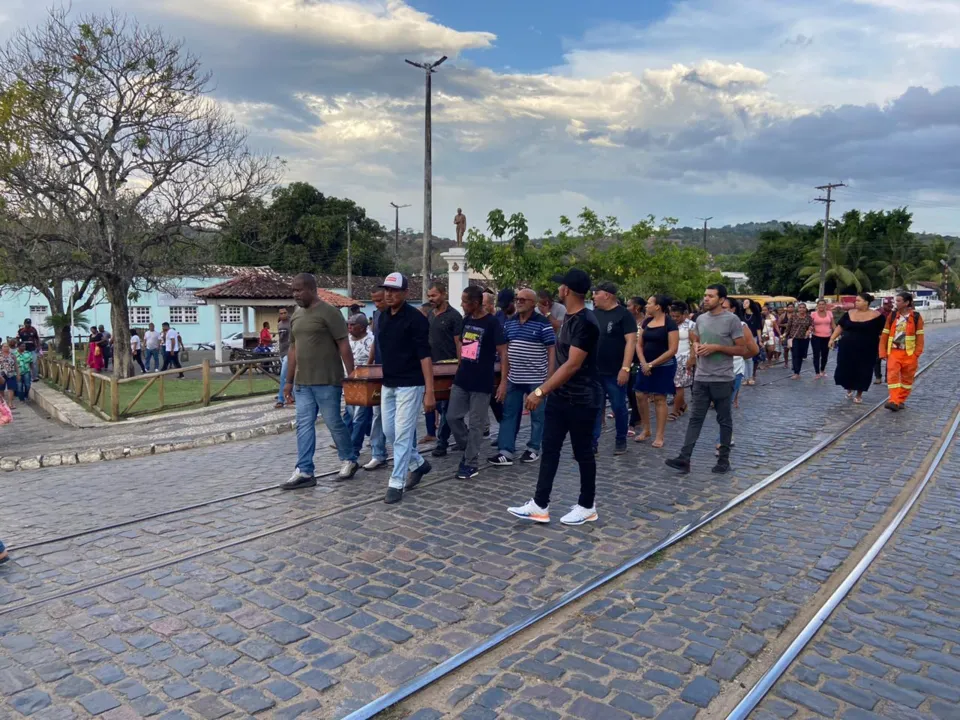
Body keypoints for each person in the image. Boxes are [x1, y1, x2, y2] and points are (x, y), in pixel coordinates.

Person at [508, 268, 602, 526]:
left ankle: (587, 505)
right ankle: (540, 504)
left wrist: (540, 390)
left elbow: (572, 365)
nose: (558, 289)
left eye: (560, 286)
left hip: (582, 398)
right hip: (561, 397)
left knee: (583, 452)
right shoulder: (568, 319)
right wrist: (549, 388)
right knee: (550, 450)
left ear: (567, 290)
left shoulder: (585, 321)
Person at [280, 273, 360, 489]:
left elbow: (344, 345)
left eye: (299, 290)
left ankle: (349, 459)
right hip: (303, 382)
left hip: (327, 379)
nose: (295, 294)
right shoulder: (296, 315)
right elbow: (293, 349)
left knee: (334, 422)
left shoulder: (329, 312)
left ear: (312, 289)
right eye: (293, 290)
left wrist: (352, 376)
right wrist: (288, 382)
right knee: (304, 425)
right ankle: (305, 470)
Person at [665, 284, 747, 474]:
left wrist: (717, 348)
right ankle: (684, 458)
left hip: (722, 378)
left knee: (724, 420)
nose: (706, 299)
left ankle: (723, 460)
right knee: (695, 418)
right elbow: (697, 339)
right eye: (705, 295)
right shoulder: (700, 319)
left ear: (721, 299)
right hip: (701, 377)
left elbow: (741, 349)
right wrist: (697, 347)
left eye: (710, 296)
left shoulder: (732, 320)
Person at [373, 272, 435, 504]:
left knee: (402, 435)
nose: (389, 294)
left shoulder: (416, 318)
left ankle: (396, 482)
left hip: (411, 384)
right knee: (390, 432)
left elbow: (425, 356)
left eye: (394, 290)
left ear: (405, 293)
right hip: (389, 382)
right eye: (387, 290)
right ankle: (418, 463)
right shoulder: (382, 317)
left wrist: (429, 392)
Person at [490, 288, 556, 466]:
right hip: (514, 378)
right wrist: (503, 380)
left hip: (537, 378)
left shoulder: (543, 323)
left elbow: (551, 350)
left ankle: (533, 448)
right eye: (517, 299)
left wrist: (549, 379)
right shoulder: (510, 323)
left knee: (537, 416)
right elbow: (505, 351)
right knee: (509, 414)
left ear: (533, 303)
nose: (518, 302)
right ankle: (506, 451)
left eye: (523, 300)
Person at [448, 286, 508, 479]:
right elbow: (463, 346)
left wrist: (503, 382)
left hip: (482, 382)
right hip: (462, 378)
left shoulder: (492, 323)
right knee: (452, 417)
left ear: (475, 303)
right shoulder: (466, 320)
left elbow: (504, 353)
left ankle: (470, 463)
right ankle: (469, 449)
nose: (462, 305)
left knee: (476, 424)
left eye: (465, 302)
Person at [590, 282, 637, 455]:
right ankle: (592, 442)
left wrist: (625, 368)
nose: (593, 296)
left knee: (618, 407)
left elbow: (631, 342)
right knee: (595, 407)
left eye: (596, 293)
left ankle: (621, 439)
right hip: (595, 370)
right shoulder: (594, 314)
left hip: (615, 370)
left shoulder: (624, 315)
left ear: (607, 295)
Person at [635, 295, 679, 449]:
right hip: (645, 364)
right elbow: (639, 344)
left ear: (658, 306)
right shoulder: (646, 322)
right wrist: (643, 362)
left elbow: (673, 349)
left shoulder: (670, 324)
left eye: (649, 303)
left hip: (664, 366)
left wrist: (652, 364)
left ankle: (660, 435)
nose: (646, 306)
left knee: (660, 398)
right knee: (640, 394)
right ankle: (646, 429)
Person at [426, 282, 462, 456]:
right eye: (429, 296)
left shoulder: (454, 316)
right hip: (433, 367)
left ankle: (442, 442)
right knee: (440, 407)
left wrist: (460, 366)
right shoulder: (430, 315)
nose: (430, 299)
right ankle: (461, 435)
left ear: (443, 294)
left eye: (433, 295)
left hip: (450, 366)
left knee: (448, 407)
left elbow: (458, 343)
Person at [829, 292, 885, 404]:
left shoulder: (877, 316)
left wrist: (882, 347)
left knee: (864, 370)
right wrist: (832, 338)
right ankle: (849, 387)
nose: (856, 302)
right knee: (846, 368)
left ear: (866, 302)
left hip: (867, 348)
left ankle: (859, 393)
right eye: (856, 300)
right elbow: (840, 327)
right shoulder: (849, 313)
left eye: (858, 300)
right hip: (847, 347)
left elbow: (882, 333)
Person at [879, 291, 924, 411]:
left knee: (907, 380)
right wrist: (882, 352)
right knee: (892, 376)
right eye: (896, 300)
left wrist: (917, 353)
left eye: (898, 301)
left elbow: (920, 336)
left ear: (906, 303)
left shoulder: (916, 317)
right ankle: (893, 400)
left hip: (909, 353)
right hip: (894, 352)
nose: (896, 303)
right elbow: (885, 334)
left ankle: (900, 400)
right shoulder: (892, 316)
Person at [342, 313, 375, 457]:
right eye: (348, 324)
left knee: (359, 417)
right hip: (348, 382)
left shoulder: (371, 340)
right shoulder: (346, 341)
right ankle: (349, 440)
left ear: (362, 327)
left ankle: (353, 448)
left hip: (365, 383)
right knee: (349, 414)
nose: (349, 327)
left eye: (353, 325)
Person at [364, 290, 389, 471]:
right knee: (377, 413)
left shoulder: (404, 316)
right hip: (380, 370)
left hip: (401, 374)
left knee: (403, 418)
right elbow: (375, 341)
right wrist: (369, 364)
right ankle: (378, 453)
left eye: (379, 300)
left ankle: (410, 454)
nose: (377, 304)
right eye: (374, 301)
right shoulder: (378, 315)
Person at [669, 302, 695, 420]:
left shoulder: (690, 325)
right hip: (670, 357)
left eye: (677, 316)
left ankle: (675, 410)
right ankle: (682, 405)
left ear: (684, 314)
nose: (675, 319)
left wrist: (692, 358)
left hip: (684, 358)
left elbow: (695, 342)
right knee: (673, 386)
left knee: (679, 386)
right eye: (672, 316)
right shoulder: (669, 324)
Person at [784, 304, 813, 379]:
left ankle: (797, 370)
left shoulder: (808, 317)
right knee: (795, 354)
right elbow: (788, 327)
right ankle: (796, 372)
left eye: (803, 308)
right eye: (800, 307)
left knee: (801, 355)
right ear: (798, 309)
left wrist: (809, 330)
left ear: (806, 309)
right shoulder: (793, 316)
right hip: (794, 338)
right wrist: (784, 336)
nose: (802, 309)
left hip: (804, 338)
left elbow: (811, 325)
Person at [810, 299, 836, 379]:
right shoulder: (813, 314)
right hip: (816, 337)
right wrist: (810, 329)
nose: (821, 306)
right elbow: (810, 324)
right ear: (817, 305)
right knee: (816, 354)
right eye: (820, 304)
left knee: (825, 355)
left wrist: (836, 335)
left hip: (827, 337)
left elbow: (833, 324)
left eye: (823, 304)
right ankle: (817, 372)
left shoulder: (829, 313)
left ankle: (822, 370)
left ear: (825, 305)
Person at [741, 298, 763, 384]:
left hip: (753, 338)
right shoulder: (741, 315)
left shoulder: (756, 315)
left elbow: (758, 329)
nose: (744, 304)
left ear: (750, 304)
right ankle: (745, 378)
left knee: (750, 359)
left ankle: (750, 378)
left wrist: (760, 340)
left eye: (746, 302)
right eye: (743, 302)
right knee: (744, 358)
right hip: (742, 339)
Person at [274, 308, 292, 408]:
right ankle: (290, 395)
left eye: (285, 313)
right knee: (288, 376)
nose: (283, 314)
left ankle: (280, 399)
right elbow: (281, 340)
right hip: (282, 351)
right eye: (281, 313)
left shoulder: (291, 322)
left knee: (282, 375)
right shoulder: (279, 324)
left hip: (289, 352)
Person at [874, 298, 893, 384]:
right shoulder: (877, 312)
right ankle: (878, 377)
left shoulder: (894, 314)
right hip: (878, 337)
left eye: (889, 305)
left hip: (890, 338)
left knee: (890, 358)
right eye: (886, 305)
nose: (888, 307)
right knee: (877, 358)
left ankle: (887, 377)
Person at [0, 343, 18, 408]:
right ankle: (2, 403)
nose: (6, 348)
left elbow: (16, 365)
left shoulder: (12, 355)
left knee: (11, 388)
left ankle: (10, 403)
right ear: (2, 347)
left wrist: (18, 374)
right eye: (4, 346)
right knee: (1, 389)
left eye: (7, 346)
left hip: (11, 373)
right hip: (2, 374)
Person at [779, 303, 796, 369]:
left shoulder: (796, 315)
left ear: (794, 308)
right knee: (786, 349)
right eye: (789, 307)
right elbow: (778, 324)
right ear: (787, 308)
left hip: (794, 335)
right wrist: (784, 325)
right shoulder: (783, 315)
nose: (790, 308)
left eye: (792, 307)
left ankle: (794, 363)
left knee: (793, 350)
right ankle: (786, 363)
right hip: (785, 334)